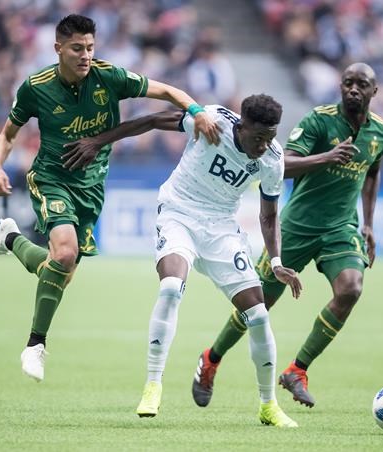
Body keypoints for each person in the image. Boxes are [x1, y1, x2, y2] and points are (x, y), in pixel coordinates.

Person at [0, 14, 220, 383]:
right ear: (58, 48)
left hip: (91, 188)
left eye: (90, 47)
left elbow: (168, 92)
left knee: (59, 272)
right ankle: (35, 345)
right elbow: (8, 134)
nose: (86, 55)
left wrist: (197, 112)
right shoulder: (36, 87)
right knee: (64, 254)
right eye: (77, 48)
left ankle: (10, 238)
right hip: (52, 179)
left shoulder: (110, 77)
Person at [65, 94, 303, 426]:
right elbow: (152, 120)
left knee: (259, 315)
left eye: (271, 137)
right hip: (179, 214)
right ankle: (153, 385)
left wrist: (275, 262)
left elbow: (269, 215)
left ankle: (268, 405)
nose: (264, 146)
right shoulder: (211, 122)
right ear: (242, 126)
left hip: (221, 229)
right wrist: (98, 141)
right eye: (259, 137)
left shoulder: (272, 159)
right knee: (171, 288)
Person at [191, 63, 383, 408]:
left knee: (351, 289)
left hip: (340, 227)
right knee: (258, 304)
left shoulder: (382, 132)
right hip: (296, 227)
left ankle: (297, 371)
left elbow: (372, 171)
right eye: (348, 83)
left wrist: (369, 223)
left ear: (374, 91)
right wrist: (327, 158)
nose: (353, 89)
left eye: (361, 85)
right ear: (340, 86)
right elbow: (281, 166)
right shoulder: (319, 121)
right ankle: (211, 359)